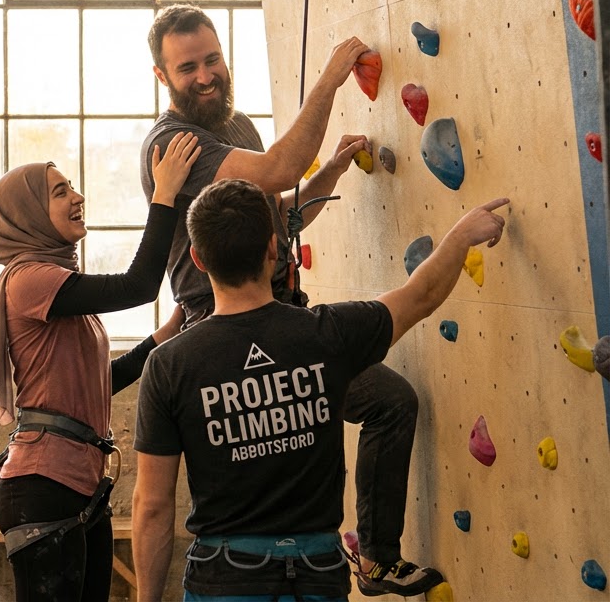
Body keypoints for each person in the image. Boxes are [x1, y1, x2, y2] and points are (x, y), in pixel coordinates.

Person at [138, 5, 443, 596]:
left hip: (277, 313)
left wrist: (326, 175)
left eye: (212, 59)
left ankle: (375, 558)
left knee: (391, 402)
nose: (205, 75)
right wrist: (329, 80)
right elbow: (278, 167)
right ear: (162, 77)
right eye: (186, 68)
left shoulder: (239, 129)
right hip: (217, 322)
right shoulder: (172, 144)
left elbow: (275, 212)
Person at [131, 179, 507, 601]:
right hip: (317, 576)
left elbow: (153, 506)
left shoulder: (168, 365)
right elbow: (421, 296)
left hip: (224, 577)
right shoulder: (329, 334)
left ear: (198, 259)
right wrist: (461, 234)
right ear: (274, 249)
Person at [0, 132, 199, 602]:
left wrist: (166, 334)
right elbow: (139, 285)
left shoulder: (57, 284)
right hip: (43, 484)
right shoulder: (30, 280)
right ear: (30, 214)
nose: (77, 197)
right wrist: (164, 196)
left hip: (78, 482)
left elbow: (102, 383)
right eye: (60, 192)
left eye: (72, 186)